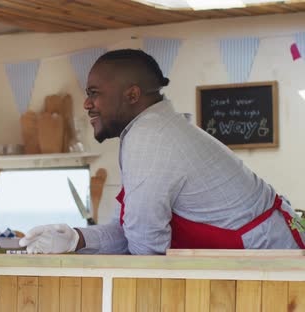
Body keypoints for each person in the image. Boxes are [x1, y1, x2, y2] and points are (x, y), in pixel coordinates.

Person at [19, 49, 305, 255]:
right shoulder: (150, 128)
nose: (86, 104)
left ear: (132, 95)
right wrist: (75, 239)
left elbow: (146, 252)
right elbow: (127, 232)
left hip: (270, 261)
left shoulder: (150, 138)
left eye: (94, 93)